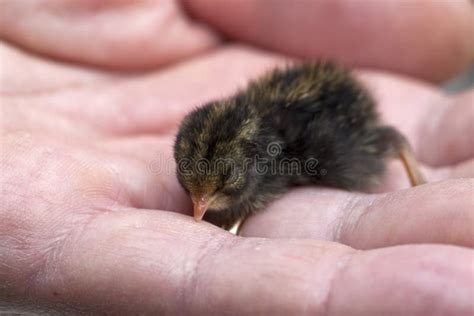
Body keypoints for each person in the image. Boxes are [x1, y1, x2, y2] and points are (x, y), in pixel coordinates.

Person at [1, 1, 473, 314]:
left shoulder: (288, 148)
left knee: (348, 158)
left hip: (332, 118)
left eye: (212, 189)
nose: (198, 202)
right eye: (193, 187)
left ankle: (405, 158)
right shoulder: (227, 150)